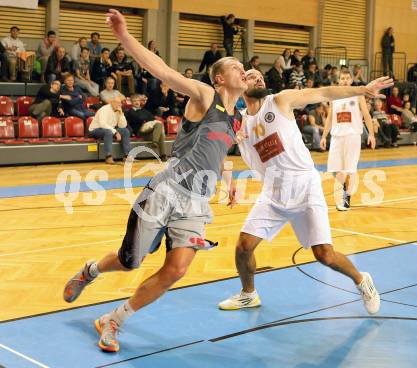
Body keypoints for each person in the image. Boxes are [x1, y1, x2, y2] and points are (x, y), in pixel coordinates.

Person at [63, 8, 246, 353]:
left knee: (177, 270)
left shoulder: (237, 116)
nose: (242, 68)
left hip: (196, 203)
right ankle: (90, 270)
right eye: (235, 66)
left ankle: (113, 320)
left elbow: (218, 153)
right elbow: (160, 69)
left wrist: (229, 180)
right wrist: (123, 35)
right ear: (219, 78)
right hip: (167, 190)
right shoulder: (205, 96)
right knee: (130, 261)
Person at [218, 69, 392, 317]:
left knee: (324, 255)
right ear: (240, 85)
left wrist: (364, 90)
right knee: (243, 247)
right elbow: (217, 148)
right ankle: (249, 295)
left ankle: (361, 279)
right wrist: (228, 181)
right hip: (272, 193)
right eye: (251, 76)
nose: (259, 79)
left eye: (260, 76)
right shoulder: (238, 121)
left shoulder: (280, 100)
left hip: (305, 187)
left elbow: (323, 92)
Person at [320, 70, 377, 211]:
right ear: (339, 80)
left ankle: (346, 198)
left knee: (350, 169)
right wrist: (323, 136)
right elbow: (329, 118)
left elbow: (366, 114)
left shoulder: (358, 95)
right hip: (336, 137)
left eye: (347, 78)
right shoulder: (333, 97)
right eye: (342, 78)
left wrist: (371, 134)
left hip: (353, 136)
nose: (344, 80)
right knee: (334, 170)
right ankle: (346, 186)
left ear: (351, 80)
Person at [88, 96, 132, 164]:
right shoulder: (104, 109)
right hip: (95, 130)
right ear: (111, 102)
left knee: (125, 131)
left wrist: (121, 115)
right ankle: (108, 157)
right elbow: (103, 124)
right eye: (117, 103)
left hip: (109, 130)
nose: (119, 105)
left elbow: (122, 126)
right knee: (108, 132)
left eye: (120, 103)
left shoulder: (118, 111)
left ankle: (127, 156)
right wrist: (115, 132)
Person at [125, 94, 166, 159]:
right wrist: (145, 119)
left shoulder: (144, 110)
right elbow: (138, 118)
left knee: (159, 128)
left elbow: (152, 118)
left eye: (138, 100)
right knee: (158, 126)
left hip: (147, 132)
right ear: (131, 102)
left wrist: (144, 119)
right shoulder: (129, 111)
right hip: (139, 131)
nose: (136, 102)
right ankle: (155, 143)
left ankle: (162, 155)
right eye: (134, 101)